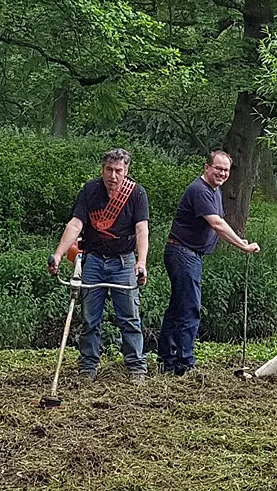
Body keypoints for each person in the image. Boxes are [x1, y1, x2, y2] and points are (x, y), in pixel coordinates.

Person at [49, 148, 149, 383]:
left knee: (129, 317)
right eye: (109, 170)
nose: (113, 176)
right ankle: (87, 368)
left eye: (118, 171)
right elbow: (75, 224)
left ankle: (136, 368)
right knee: (90, 318)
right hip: (93, 260)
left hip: (124, 262)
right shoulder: (90, 191)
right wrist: (58, 254)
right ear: (102, 169)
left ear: (126, 171)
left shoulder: (136, 194)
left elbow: (141, 229)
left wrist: (142, 261)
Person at [158, 150, 260, 376]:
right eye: (218, 168)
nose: (222, 173)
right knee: (189, 309)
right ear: (207, 167)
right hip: (183, 253)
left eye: (226, 170)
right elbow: (216, 224)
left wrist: (239, 239)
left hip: (189, 254)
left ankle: (168, 360)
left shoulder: (215, 191)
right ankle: (184, 364)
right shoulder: (200, 190)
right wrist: (242, 246)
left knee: (178, 307)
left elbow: (219, 222)